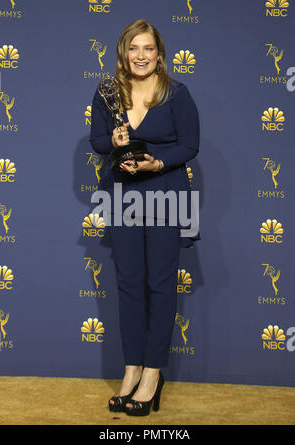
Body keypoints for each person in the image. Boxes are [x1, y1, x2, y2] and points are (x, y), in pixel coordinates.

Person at [89, 19, 200, 416]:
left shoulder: (176, 93)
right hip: (122, 198)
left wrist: (159, 162)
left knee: (160, 285)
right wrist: (113, 141)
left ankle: (153, 374)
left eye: (148, 48)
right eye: (133, 48)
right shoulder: (108, 93)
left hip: (167, 195)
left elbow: (190, 144)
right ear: (123, 52)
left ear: (159, 54)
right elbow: (97, 140)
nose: (140, 55)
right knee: (129, 286)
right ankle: (132, 370)